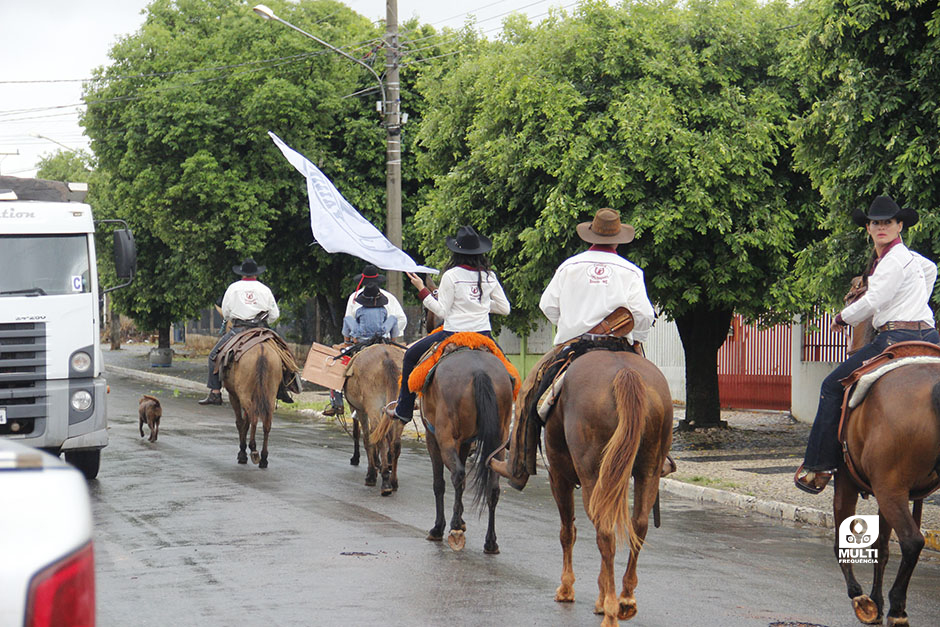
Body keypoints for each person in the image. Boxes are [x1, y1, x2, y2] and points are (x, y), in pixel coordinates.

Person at [795, 195, 939, 494]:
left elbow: (874, 300)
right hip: (930, 335)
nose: (882, 227)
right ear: (869, 228)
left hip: (896, 337)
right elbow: (931, 270)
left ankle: (817, 467)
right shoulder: (911, 259)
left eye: (888, 222)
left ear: (900, 225)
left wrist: (843, 318)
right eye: (876, 223)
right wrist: (915, 300)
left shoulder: (890, 262)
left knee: (832, 386)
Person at [386, 225, 511, 423]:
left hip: (452, 334)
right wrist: (480, 305)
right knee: (509, 374)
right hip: (484, 335)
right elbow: (505, 308)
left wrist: (422, 289)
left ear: (457, 252)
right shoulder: (489, 276)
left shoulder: (451, 276)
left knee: (410, 356)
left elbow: (442, 311)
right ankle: (508, 421)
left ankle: (404, 410)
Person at [539, 207, 655, 348]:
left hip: (572, 344)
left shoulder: (568, 267)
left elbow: (547, 305)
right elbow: (644, 314)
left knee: (543, 370)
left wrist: (570, 325)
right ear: (618, 239)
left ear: (591, 235)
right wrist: (637, 339)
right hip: (618, 345)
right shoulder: (632, 271)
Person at [198, 258, 288, 405]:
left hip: (239, 329)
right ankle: (283, 388)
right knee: (285, 355)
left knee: (213, 356)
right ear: (256, 274)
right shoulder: (265, 289)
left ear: (242, 274)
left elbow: (226, 313)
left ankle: (215, 392)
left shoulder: (233, 288)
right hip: (262, 329)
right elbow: (274, 315)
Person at [323, 264, 408, 417]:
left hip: (360, 342)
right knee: (408, 366)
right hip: (385, 340)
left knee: (338, 366)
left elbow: (348, 319)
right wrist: (392, 338)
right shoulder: (388, 299)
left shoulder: (355, 298)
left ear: (362, 281)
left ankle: (337, 401)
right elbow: (400, 319)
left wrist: (349, 340)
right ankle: (409, 398)